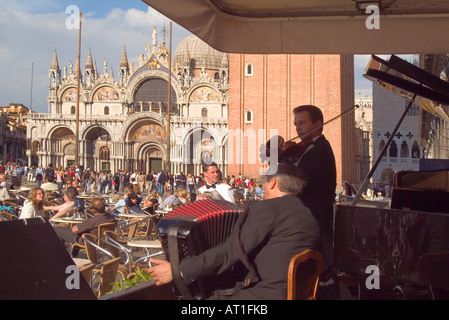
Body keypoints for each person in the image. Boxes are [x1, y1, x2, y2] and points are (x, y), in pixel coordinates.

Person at [148, 163, 320, 300]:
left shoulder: (268, 209)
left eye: (265, 182)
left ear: (272, 183)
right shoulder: (308, 215)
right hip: (296, 293)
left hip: (265, 295)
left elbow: (232, 251)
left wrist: (178, 270)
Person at [286, 104, 339, 299]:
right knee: (318, 270)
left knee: (322, 272)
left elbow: (298, 183)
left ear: (317, 124)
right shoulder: (307, 149)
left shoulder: (319, 151)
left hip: (316, 221)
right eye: (296, 124)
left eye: (302, 123)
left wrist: (280, 160)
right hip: (312, 219)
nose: (298, 128)